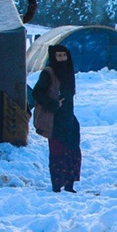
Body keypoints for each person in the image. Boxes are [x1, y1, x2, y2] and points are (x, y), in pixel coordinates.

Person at [32, 45, 81, 193]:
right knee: (58, 152)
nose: (62, 59)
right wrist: (53, 104)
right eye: (58, 56)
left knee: (72, 151)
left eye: (64, 56)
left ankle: (69, 184)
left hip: (68, 118)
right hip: (54, 120)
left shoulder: (67, 72)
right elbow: (36, 93)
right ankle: (57, 185)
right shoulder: (49, 73)